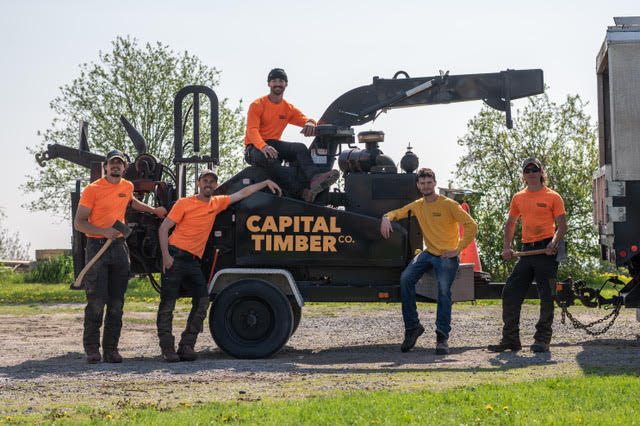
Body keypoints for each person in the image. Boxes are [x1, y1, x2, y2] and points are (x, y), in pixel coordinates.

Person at [157, 169, 282, 362]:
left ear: (215, 186)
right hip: (175, 256)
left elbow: (242, 193)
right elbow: (164, 228)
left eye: (212, 182)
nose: (208, 184)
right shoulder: (184, 203)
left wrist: (265, 182)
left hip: (193, 262)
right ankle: (167, 348)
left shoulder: (216, 203)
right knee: (167, 304)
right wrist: (165, 256)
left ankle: (187, 344)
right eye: (205, 181)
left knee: (202, 301)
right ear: (198, 183)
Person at [74, 149, 167, 363]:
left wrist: (154, 210)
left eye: (119, 163)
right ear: (105, 167)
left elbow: (131, 202)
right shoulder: (92, 189)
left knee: (117, 303)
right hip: (97, 246)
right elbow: (79, 222)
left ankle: (111, 349)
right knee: (96, 301)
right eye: (112, 163)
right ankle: (91, 348)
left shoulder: (127, 186)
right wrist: (102, 230)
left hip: (119, 247)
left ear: (125, 168)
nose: (115, 166)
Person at [380, 168, 477, 355]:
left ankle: (442, 338)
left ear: (434, 183)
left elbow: (471, 225)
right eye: (422, 183)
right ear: (418, 185)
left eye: (429, 182)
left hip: (447, 256)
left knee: (443, 291)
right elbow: (399, 212)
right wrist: (386, 218)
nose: (426, 186)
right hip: (429, 253)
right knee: (406, 279)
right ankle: (412, 328)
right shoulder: (418, 205)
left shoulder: (449, 205)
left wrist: (457, 249)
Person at [488, 158, 567, 353]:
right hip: (525, 250)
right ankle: (510, 339)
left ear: (541, 172)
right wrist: (507, 248)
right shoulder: (518, 197)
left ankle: (542, 339)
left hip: (546, 251)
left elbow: (562, 226)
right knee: (510, 292)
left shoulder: (553, 196)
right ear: (523, 175)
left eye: (535, 169)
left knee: (547, 296)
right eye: (527, 170)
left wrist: (553, 243)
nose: (531, 172)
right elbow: (510, 224)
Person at [244, 67, 339, 202]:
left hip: (273, 146)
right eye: (274, 81)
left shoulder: (287, 108)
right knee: (272, 159)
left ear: (286, 84)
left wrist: (311, 123)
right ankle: (301, 192)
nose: (278, 84)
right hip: (255, 148)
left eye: (281, 81)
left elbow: (305, 119)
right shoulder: (257, 104)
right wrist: (263, 147)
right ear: (269, 84)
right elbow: (251, 130)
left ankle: (315, 178)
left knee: (299, 147)